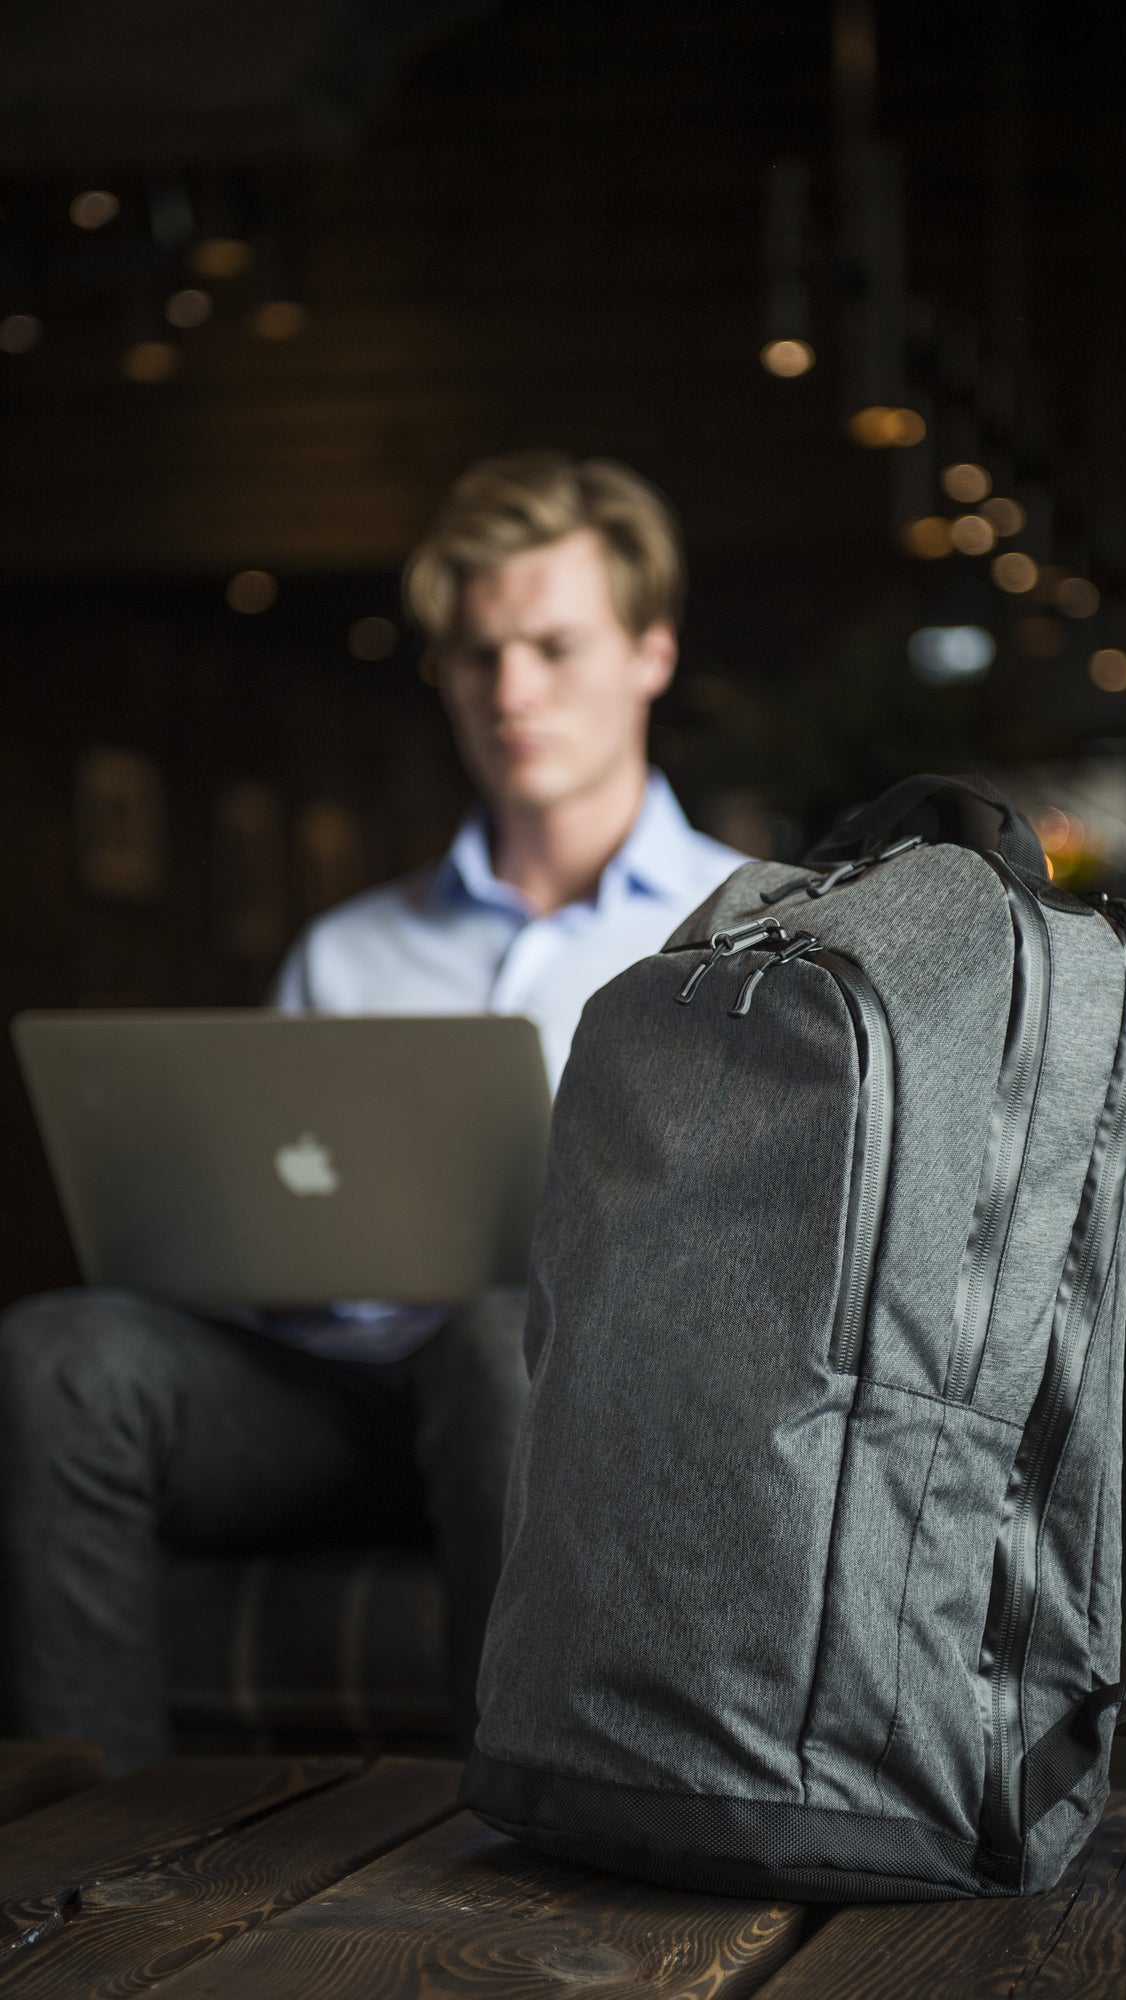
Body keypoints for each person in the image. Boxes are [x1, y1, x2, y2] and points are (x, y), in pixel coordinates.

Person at [0, 451, 748, 1772]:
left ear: (651, 654)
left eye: (553, 648)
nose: (511, 692)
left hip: (580, 1419)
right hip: (335, 1406)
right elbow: (267, 1212)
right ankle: (90, 1836)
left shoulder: (749, 939)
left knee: (493, 1343)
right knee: (59, 1351)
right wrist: (244, 1257)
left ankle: (525, 1813)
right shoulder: (346, 950)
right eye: (477, 655)